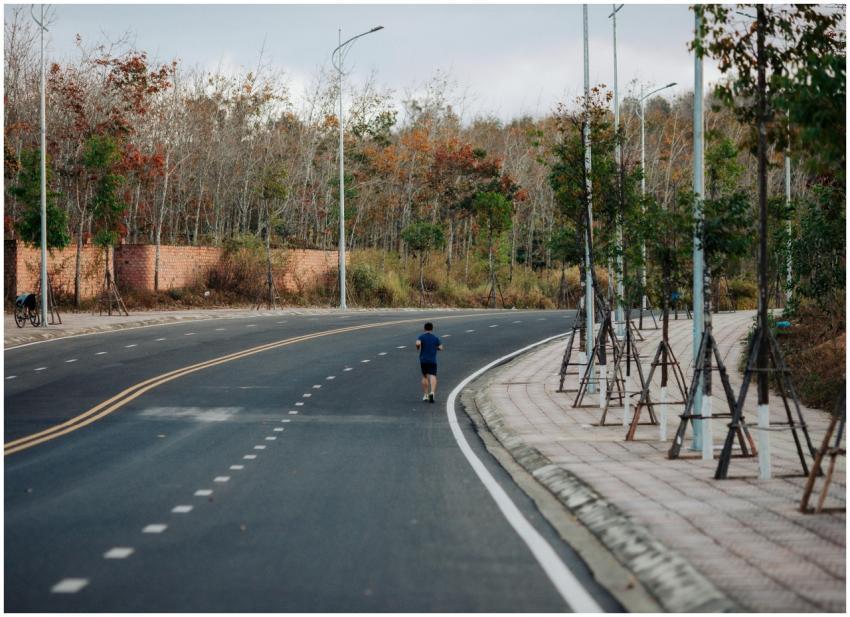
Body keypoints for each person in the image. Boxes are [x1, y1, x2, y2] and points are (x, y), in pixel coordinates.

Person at [416, 322, 443, 403]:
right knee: (433, 376)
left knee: (425, 377)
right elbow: (441, 348)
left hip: (423, 360)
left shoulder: (421, 336)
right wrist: (436, 347)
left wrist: (418, 347)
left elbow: (417, 343)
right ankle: (432, 393)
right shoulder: (435, 338)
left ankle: (425, 395)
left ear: (424, 329)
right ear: (432, 329)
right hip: (432, 360)